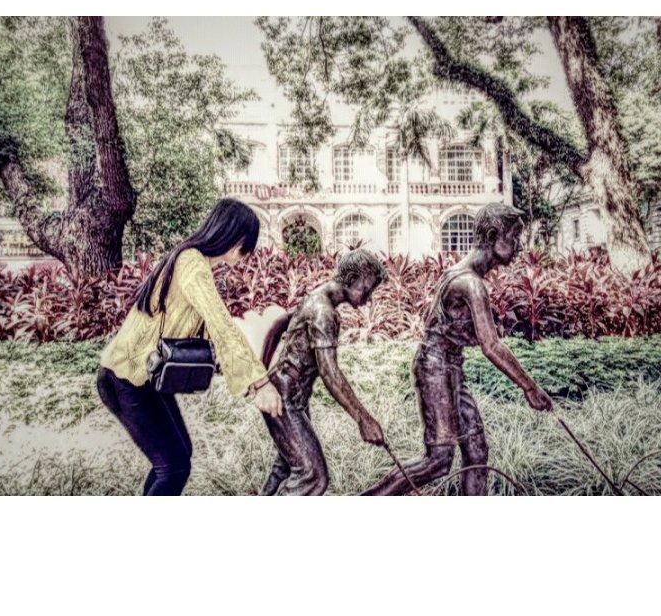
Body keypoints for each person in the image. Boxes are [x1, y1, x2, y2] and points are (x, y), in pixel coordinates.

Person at [363, 203, 552, 496]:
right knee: (438, 461)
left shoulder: (463, 275)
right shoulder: (470, 283)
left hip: (448, 366)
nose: (517, 246)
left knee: (476, 450)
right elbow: (491, 346)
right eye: (513, 237)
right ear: (493, 235)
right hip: (435, 368)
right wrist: (529, 387)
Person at [96, 198, 282, 496]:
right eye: (246, 245)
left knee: (177, 459)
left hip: (142, 377)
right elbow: (221, 324)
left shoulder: (192, 261)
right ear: (236, 239)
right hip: (126, 379)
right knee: (174, 467)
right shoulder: (192, 264)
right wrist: (260, 384)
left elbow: (212, 329)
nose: (245, 254)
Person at [259, 249, 388, 495]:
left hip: (289, 394)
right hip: (285, 398)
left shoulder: (316, 297)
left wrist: (263, 374)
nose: (369, 297)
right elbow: (330, 373)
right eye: (366, 289)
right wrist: (364, 419)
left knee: (285, 467)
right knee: (312, 477)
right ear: (351, 278)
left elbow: (279, 325)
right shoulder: (324, 312)